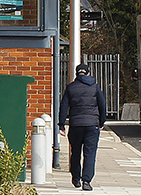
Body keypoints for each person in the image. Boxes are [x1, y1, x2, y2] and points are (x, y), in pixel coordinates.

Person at [58, 63, 108, 191]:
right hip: (92, 125)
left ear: (76, 74)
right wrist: (101, 122)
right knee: (90, 153)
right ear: (88, 73)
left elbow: (64, 107)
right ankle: (87, 181)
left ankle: (76, 178)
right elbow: (102, 106)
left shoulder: (71, 88)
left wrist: (62, 124)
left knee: (75, 152)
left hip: (75, 125)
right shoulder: (95, 87)